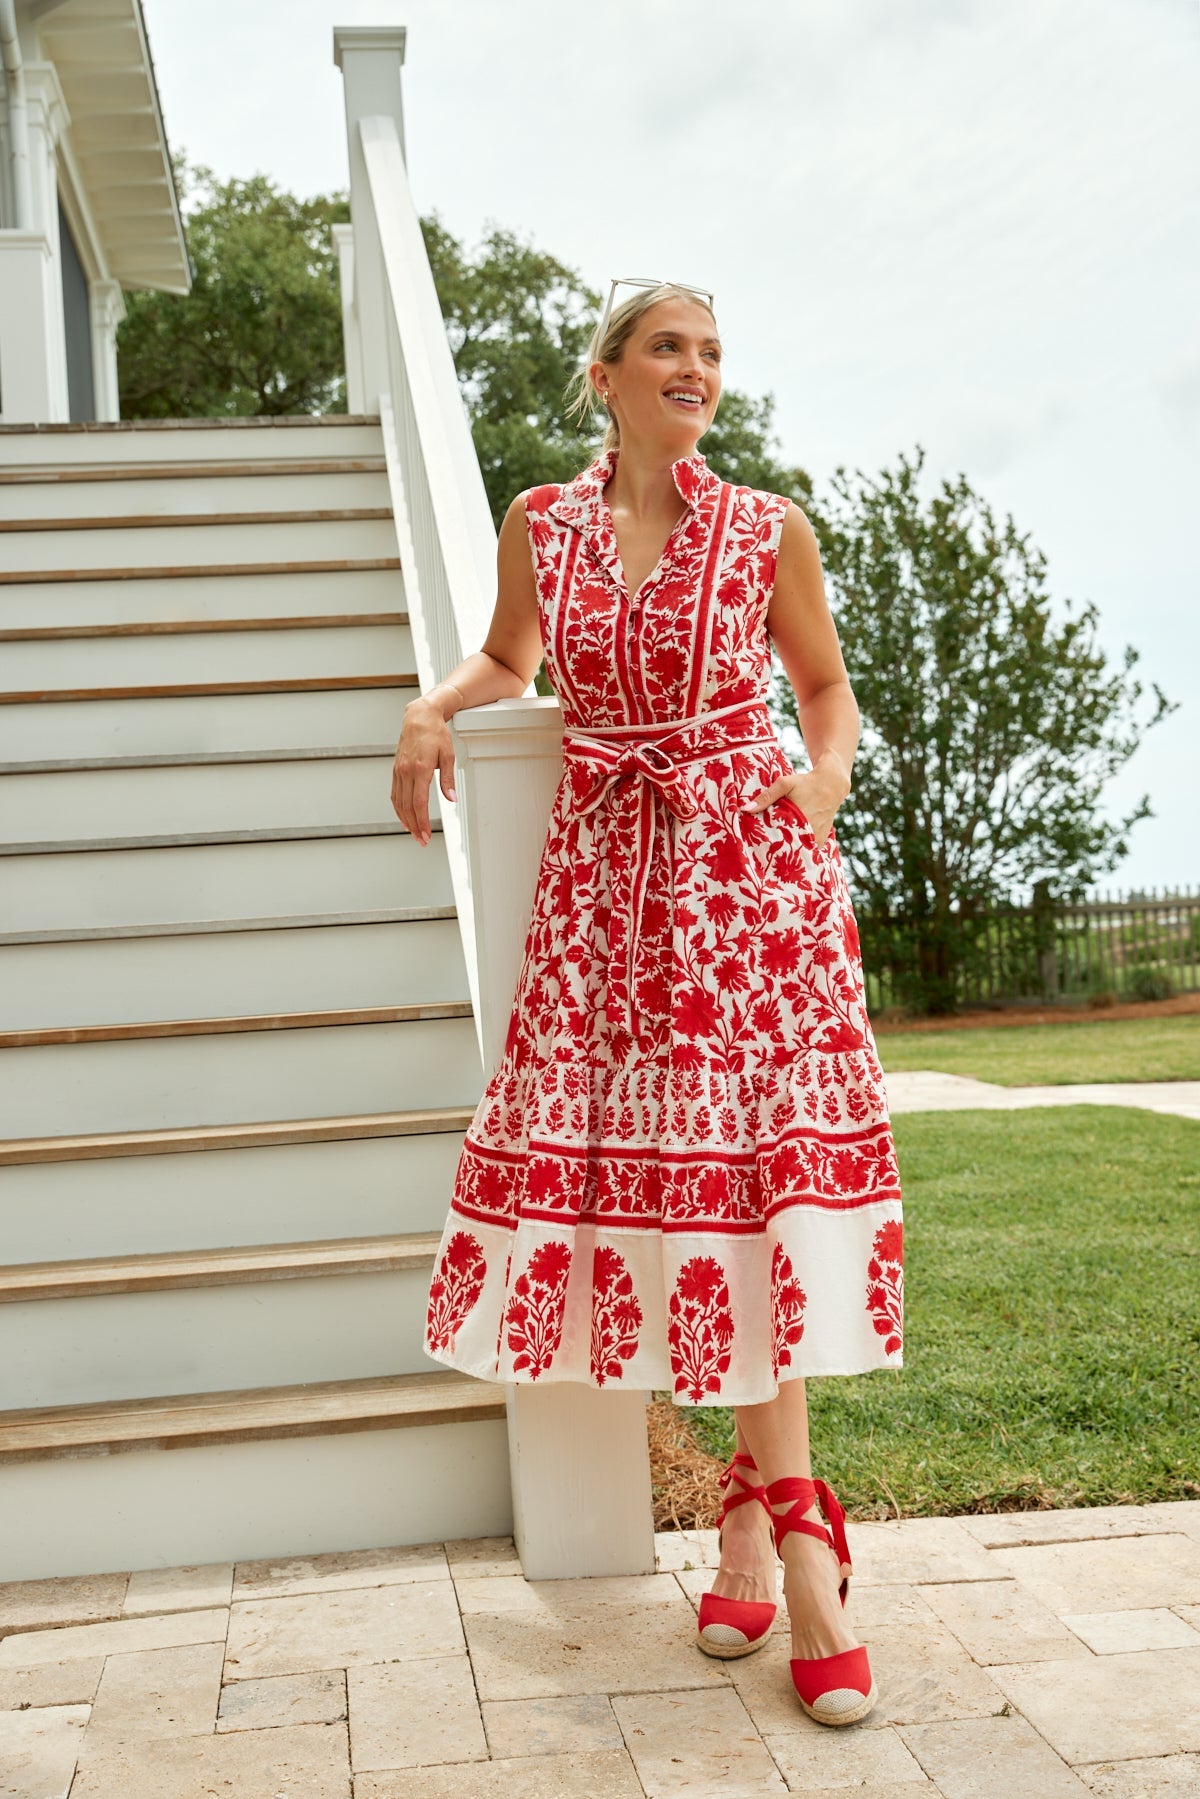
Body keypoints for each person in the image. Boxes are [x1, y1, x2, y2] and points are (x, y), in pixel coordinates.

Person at [392, 279, 904, 1728]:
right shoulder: (541, 524)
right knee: (664, 1213)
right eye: (669, 348)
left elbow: (826, 690)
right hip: (605, 902)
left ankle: (799, 1552)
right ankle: (756, 1513)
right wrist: (434, 709)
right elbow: (512, 662)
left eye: (714, 352)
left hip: (748, 897)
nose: (698, 369)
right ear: (607, 375)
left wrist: (821, 784)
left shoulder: (767, 529)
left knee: (756, 1197)